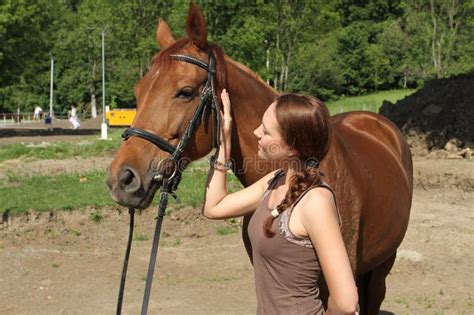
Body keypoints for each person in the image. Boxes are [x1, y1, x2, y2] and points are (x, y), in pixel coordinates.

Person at [203, 90, 359, 314]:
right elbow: (214, 207)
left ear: (293, 147)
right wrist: (224, 143)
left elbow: (346, 302)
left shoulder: (315, 202)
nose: (256, 132)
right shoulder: (275, 181)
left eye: (265, 131)